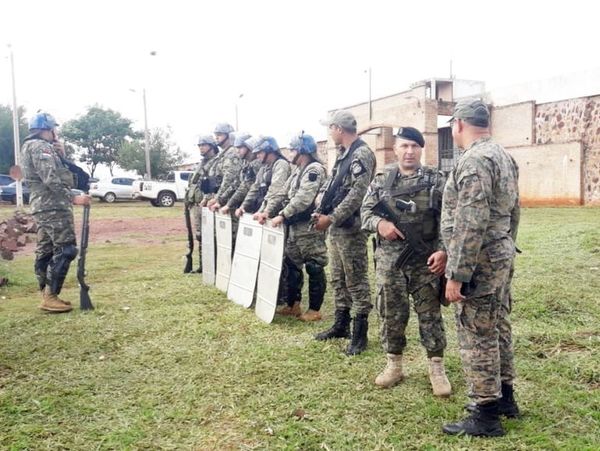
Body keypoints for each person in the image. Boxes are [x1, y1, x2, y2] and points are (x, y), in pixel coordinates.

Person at [441, 99, 520, 437]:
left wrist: (457, 273)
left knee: (478, 331)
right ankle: (505, 398)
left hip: (480, 259)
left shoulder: (474, 161)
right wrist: (506, 245)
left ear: (459, 123)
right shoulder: (504, 156)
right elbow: (515, 210)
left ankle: (485, 412)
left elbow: (471, 221)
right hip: (499, 252)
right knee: (498, 323)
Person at [361, 126, 451, 396]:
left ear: (421, 149)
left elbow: (449, 219)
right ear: (395, 149)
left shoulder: (437, 180)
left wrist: (444, 250)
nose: (409, 151)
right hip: (390, 260)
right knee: (391, 312)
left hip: (426, 260)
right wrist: (380, 225)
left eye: (414, 146)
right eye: (404, 146)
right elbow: (364, 212)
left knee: (430, 314)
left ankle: (436, 367)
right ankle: (394, 365)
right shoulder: (381, 179)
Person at [313, 110, 376, 355]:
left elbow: (357, 195)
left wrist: (332, 217)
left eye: (330, 128)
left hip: (351, 228)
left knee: (356, 280)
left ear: (339, 128)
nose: (329, 133)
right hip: (337, 228)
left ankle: (360, 333)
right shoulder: (343, 155)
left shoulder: (361, 154)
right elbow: (334, 188)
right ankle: (341, 324)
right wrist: (321, 211)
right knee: (338, 278)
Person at [20, 111, 91, 313]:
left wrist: (61, 156)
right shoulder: (41, 147)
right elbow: (51, 178)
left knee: (46, 250)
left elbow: (59, 174)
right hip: (53, 206)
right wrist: (73, 198)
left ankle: (47, 294)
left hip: (42, 206)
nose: (56, 133)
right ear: (47, 129)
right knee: (66, 249)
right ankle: (50, 296)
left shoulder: (30, 146)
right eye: (54, 129)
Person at [270, 133, 328, 321]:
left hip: (308, 227)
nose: (290, 152)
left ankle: (315, 310)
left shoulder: (314, 170)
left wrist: (283, 214)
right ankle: (293, 304)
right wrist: (268, 209)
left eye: (293, 149)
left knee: (314, 265)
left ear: (302, 150)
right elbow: (282, 192)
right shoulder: (297, 170)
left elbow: (304, 198)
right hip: (294, 227)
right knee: (292, 264)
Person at [184, 135, 220, 273]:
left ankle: (209, 264)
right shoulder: (202, 163)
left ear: (211, 146)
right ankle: (203, 264)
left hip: (206, 203)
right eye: (199, 145)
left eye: (203, 145)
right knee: (199, 234)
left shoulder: (215, 162)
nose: (201, 148)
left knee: (208, 235)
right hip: (196, 203)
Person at [236, 136, 291, 220]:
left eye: (259, 152)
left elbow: (274, 191)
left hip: (274, 214)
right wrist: (243, 206)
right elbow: (254, 188)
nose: (257, 156)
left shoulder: (281, 165)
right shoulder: (264, 168)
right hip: (265, 214)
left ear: (269, 150)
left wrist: (263, 211)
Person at [220, 134, 261, 216]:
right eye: (236, 148)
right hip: (247, 207)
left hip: (256, 207)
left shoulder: (257, 164)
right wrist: (220, 199)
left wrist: (229, 205)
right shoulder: (246, 164)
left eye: (240, 147)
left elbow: (245, 186)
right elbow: (236, 184)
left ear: (249, 147)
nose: (237, 151)